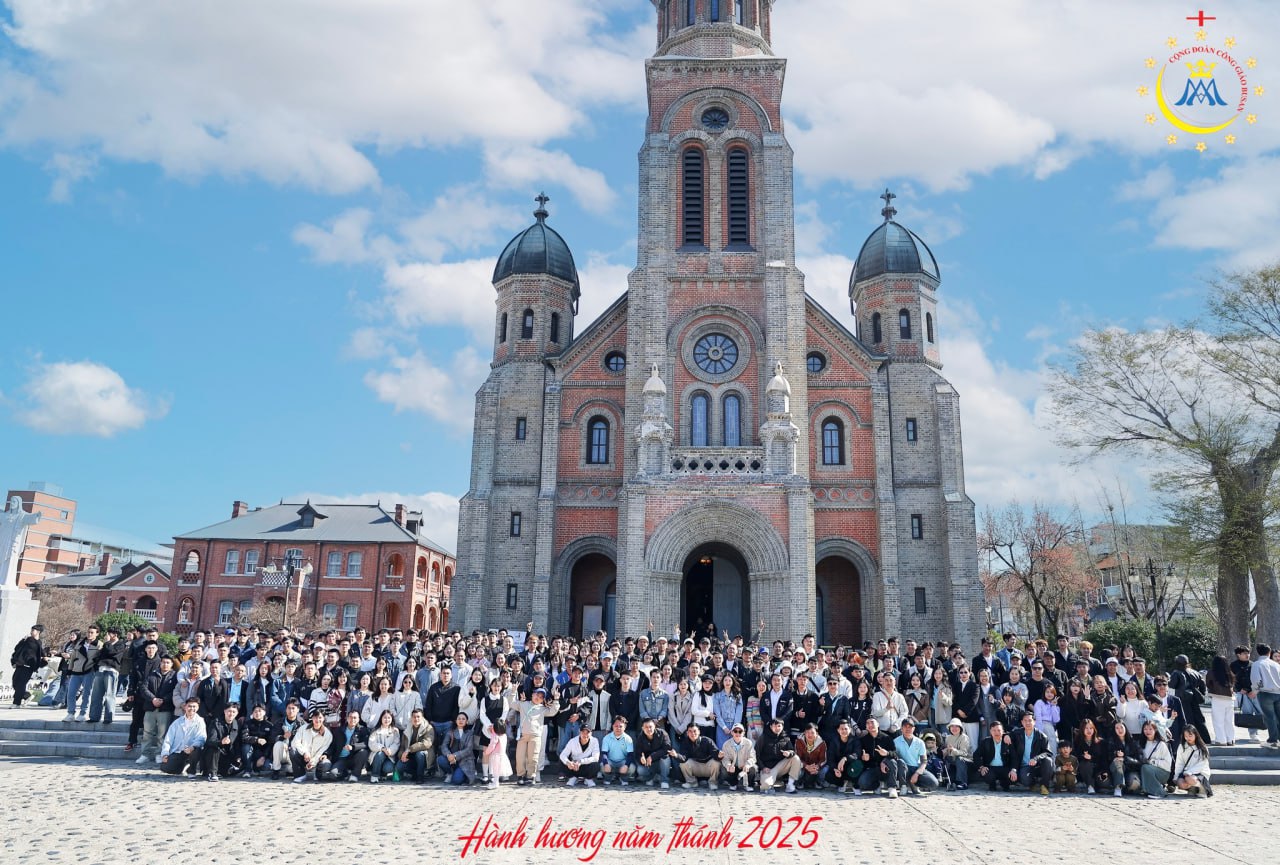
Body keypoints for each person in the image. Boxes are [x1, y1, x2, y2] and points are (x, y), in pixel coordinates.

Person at [513, 686, 559, 785]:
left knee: (533, 758)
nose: (538, 697)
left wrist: (556, 700)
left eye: (541, 697)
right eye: (537, 695)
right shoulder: (523, 704)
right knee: (520, 757)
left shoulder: (543, 709)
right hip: (523, 735)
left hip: (535, 736)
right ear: (533, 694)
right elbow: (512, 704)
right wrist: (513, 692)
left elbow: (553, 712)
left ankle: (531, 776)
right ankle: (520, 775)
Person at [138, 655, 178, 765]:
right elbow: (144, 688)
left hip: (165, 708)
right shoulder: (152, 674)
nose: (165, 664)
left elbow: (175, 691)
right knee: (147, 733)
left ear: (171, 665)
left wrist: (163, 700)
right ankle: (144, 754)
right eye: (163, 662)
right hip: (150, 707)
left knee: (162, 734)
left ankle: (159, 754)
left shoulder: (174, 677)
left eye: (167, 663)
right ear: (160, 663)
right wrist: (153, 699)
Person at [159, 698, 207, 776]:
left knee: (197, 749)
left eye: (194, 706)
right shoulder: (177, 722)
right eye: (189, 706)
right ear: (185, 707)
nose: (192, 709)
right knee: (165, 767)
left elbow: (201, 738)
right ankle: (183, 766)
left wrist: (192, 747)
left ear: (198, 708)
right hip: (178, 751)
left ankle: (191, 770)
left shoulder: (200, 722)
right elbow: (168, 739)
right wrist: (165, 753)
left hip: (192, 750)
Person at [62, 625, 100, 723]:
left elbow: (99, 659)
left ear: (97, 633)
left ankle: (83, 713)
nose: (89, 634)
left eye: (92, 632)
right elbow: (73, 657)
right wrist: (69, 670)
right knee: (70, 693)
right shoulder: (80, 643)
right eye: (88, 632)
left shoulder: (99, 644)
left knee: (86, 693)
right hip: (76, 670)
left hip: (89, 671)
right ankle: (70, 713)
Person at [1009, 711, 1053, 795]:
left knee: (1048, 761)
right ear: (1022, 722)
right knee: (1024, 779)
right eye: (1025, 721)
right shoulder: (1017, 734)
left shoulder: (1042, 736)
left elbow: (1048, 752)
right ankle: (1033, 784)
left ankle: (1044, 785)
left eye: (1030, 720)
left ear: (1034, 721)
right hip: (1024, 766)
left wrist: (1036, 758)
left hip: (1038, 765)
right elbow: (1007, 734)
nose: (1027, 723)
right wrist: (1007, 736)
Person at [857, 716, 900, 797]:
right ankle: (877, 785)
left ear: (878, 724)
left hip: (886, 768)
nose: (870, 725)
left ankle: (892, 788)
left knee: (892, 761)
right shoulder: (863, 739)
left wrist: (886, 753)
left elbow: (895, 754)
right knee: (862, 783)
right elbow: (859, 755)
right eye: (868, 723)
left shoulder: (887, 738)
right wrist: (863, 758)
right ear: (866, 727)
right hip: (873, 769)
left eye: (872, 722)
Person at [893, 717, 937, 794]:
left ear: (914, 728)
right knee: (900, 762)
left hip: (916, 768)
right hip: (903, 769)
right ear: (901, 729)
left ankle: (913, 783)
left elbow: (924, 761)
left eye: (910, 727)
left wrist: (917, 773)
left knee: (933, 783)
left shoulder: (920, 742)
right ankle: (903, 786)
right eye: (905, 727)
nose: (907, 729)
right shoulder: (896, 741)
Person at [1249, 643, 1280, 748]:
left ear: (1258, 652)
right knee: (1278, 717)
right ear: (1269, 652)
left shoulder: (1257, 664)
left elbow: (1257, 680)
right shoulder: (1276, 664)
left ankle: (1272, 740)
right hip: (1278, 692)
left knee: (1270, 717)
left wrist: (1255, 691)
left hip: (1265, 693)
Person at [201, 704, 243, 781]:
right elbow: (210, 740)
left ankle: (223, 771)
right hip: (214, 753)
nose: (231, 714)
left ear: (237, 713)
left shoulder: (237, 724)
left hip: (228, 754)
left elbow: (237, 743)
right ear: (224, 711)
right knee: (214, 748)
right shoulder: (216, 723)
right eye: (229, 711)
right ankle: (212, 773)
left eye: (234, 712)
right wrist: (221, 742)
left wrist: (238, 756)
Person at [291, 709, 334, 783]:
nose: (317, 720)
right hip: (303, 757)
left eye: (320, 717)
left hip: (316, 760)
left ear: (323, 718)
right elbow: (295, 742)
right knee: (292, 751)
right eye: (315, 717)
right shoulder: (303, 728)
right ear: (312, 718)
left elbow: (322, 750)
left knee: (326, 764)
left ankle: (317, 774)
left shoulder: (328, 734)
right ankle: (300, 775)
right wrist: (304, 752)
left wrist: (313, 762)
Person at [9, 624, 48, 707]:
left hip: (29, 665)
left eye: (33, 630)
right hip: (20, 663)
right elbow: (17, 648)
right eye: (31, 630)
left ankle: (16, 703)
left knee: (21, 684)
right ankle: (27, 696)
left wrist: (45, 657)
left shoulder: (38, 642)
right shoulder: (27, 639)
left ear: (38, 632)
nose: (31, 632)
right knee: (15, 683)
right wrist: (22, 640)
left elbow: (41, 651)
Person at [675, 724, 721, 790]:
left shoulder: (707, 740)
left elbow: (715, 754)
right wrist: (676, 755)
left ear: (699, 732)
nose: (692, 733)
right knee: (683, 764)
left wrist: (719, 755)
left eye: (694, 731)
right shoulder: (685, 742)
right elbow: (683, 758)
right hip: (696, 767)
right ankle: (691, 782)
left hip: (708, 767)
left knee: (716, 762)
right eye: (690, 731)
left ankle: (713, 782)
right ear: (687, 733)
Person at [1171, 726, 1213, 797]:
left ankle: (1203, 789)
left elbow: (1202, 764)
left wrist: (1190, 772)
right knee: (1181, 783)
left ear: (1195, 735)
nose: (1188, 738)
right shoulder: (1182, 747)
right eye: (1186, 736)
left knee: (1190, 779)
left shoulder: (1202, 747)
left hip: (1200, 772)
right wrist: (1176, 775)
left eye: (1190, 735)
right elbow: (1179, 762)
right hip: (1186, 772)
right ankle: (1193, 789)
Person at [973, 721, 1014, 792]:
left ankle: (1005, 784)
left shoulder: (1008, 741)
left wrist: (1014, 770)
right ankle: (992, 784)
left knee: (1013, 777)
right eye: (994, 730)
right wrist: (981, 767)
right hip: (990, 768)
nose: (996, 732)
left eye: (999, 730)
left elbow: (1014, 757)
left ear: (1003, 731)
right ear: (990, 731)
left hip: (1005, 768)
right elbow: (976, 755)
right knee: (988, 776)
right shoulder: (986, 741)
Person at [634, 717, 674, 789]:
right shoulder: (640, 737)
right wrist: (641, 758)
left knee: (666, 759)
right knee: (640, 770)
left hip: (661, 762)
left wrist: (652, 756)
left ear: (654, 726)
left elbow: (667, 749)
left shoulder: (662, 733)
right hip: (650, 764)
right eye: (646, 727)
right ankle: (652, 777)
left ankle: (664, 781)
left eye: (650, 727)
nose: (649, 729)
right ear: (642, 728)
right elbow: (638, 753)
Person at [1205, 655, 1236, 746]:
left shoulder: (1211, 672)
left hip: (1217, 698)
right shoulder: (1229, 673)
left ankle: (1221, 740)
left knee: (1218, 720)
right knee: (1229, 721)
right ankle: (1231, 740)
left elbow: (1208, 684)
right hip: (1230, 699)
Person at [438, 712, 476, 785]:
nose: (461, 721)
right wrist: (449, 755)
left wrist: (455, 756)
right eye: (459, 719)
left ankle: (463, 775)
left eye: (463, 719)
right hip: (451, 760)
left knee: (456, 781)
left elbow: (468, 749)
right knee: (440, 759)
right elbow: (444, 746)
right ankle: (450, 773)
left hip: (465, 761)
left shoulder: (470, 733)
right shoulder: (450, 732)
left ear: (466, 722)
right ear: (456, 721)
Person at [1138, 719, 1173, 797]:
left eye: (1150, 729)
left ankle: (1159, 793)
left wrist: (1151, 761)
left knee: (1145, 767)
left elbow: (1167, 764)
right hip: (1147, 771)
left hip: (1163, 772)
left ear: (1155, 730)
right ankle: (1148, 789)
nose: (1148, 731)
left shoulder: (1161, 744)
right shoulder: (1142, 743)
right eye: (1145, 729)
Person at [825, 720, 862, 793]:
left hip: (851, 766)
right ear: (838, 730)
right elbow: (830, 757)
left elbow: (857, 754)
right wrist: (835, 768)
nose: (844, 731)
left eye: (846, 729)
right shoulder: (834, 741)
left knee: (858, 764)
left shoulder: (855, 740)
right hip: (839, 767)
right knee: (828, 776)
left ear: (850, 729)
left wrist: (845, 758)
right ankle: (842, 783)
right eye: (842, 729)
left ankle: (855, 785)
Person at [401, 708, 436, 782]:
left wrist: (409, 749)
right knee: (399, 766)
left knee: (419, 754)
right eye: (414, 717)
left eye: (418, 717)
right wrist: (402, 755)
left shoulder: (429, 728)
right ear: (411, 717)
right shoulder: (407, 728)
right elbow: (402, 746)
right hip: (410, 755)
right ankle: (415, 774)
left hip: (424, 755)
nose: (416, 719)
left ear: (422, 717)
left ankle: (420, 777)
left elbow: (427, 744)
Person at [271, 701, 303, 779]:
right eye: (289, 708)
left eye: (293, 708)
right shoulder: (279, 722)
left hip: (294, 753)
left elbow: (304, 741)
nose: (291, 711)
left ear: (298, 710)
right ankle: (276, 770)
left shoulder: (302, 724)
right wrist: (283, 737)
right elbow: (272, 738)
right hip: (282, 753)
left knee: (292, 769)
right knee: (278, 744)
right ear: (285, 709)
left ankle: (290, 769)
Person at [599, 715, 635, 785]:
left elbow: (630, 755)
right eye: (616, 726)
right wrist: (606, 764)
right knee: (602, 765)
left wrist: (626, 765)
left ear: (625, 727)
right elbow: (604, 753)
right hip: (610, 761)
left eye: (621, 726)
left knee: (632, 767)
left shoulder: (628, 739)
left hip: (622, 762)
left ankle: (623, 778)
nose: (618, 728)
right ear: (612, 726)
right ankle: (608, 778)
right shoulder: (606, 738)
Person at [720, 723, 757, 791]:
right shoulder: (726, 744)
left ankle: (749, 784)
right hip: (733, 767)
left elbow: (752, 757)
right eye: (735, 731)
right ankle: (733, 783)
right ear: (732, 732)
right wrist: (729, 766)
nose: (738, 733)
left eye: (740, 731)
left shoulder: (749, 743)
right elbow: (725, 758)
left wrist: (747, 765)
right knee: (724, 769)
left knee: (753, 768)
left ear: (743, 733)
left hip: (744, 766)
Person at [365, 709, 399, 782]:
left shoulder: (395, 731)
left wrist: (390, 750)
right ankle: (375, 775)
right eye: (385, 718)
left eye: (389, 718)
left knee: (388, 768)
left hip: (390, 756)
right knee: (380, 754)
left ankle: (383, 773)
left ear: (392, 719)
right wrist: (382, 748)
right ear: (381, 719)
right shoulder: (375, 730)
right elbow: (371, 743)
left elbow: (396, 744)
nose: (387, 720)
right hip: (377, 755)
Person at [242, 703, 274, 776]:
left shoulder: (269, 725)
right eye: (255, 711)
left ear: (264, 712)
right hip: (251, 751)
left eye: (260, 711)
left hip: (263, 753)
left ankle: (255, 767)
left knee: (268, 766)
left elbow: (271, 743)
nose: (257, 713)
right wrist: (256, 739)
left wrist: (264, 757)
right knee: (246, 747)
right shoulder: (247, 724)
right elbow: (244, 737)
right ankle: (247, 770)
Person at [942, 717, 972, 790]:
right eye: (952, 726)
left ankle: (962, 783)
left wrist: (953, 750)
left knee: (960, 759)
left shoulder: (964, 737)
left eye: (956, 726)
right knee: (945, 759)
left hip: (966, 761)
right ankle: (945, 779)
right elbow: (947, 751)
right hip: (953, 760)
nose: (954, 728)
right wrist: (945, 751)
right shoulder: (948, 738)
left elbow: (964, 753)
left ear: (960, 728)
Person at [795, 723, 827, 790]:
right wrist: (806, 766)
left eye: (812, 733)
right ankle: (800, 782)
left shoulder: (822, 743)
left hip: (815, 768)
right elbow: (797, 758)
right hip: (803, 766)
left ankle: (818, 782)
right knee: (797, 770)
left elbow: (823, 759)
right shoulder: (799, 741)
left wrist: (817, 766)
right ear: (804, 733)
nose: (810, 735)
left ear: (817, 733)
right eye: (807, 732)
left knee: (825, 769)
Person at [482, 718, 512, 789]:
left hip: (496, 756)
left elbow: (492, 746)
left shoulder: (495, 736)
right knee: (497, 771)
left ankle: (495, 783)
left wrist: (486, 752)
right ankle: (496, 782)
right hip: (502, 755)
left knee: (495, 771)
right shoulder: (504, 735)